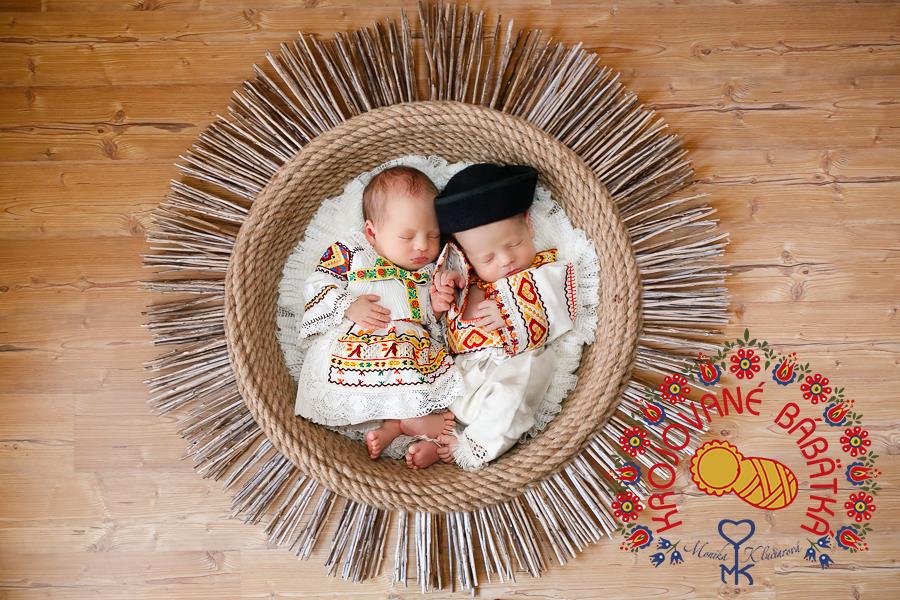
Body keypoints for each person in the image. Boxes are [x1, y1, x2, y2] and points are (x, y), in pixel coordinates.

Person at [294, 165, 460, 469]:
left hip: (412, 349)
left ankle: (400, 430)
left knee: (447, 386)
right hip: (360, 345)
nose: (422, 245)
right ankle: (409, 424)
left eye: (433, 234)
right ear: (372, 232)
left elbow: (432, 324)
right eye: (406, 236)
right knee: (389, 380)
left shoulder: (428, 273)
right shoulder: (353, 253)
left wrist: (436, 306)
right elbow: (316, 284)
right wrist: (348, 305)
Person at [428, 163, 578, 470]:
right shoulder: (465, 278)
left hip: (513, 364)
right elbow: (437, 322)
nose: (506, 259)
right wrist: (443, 297)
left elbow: (562, 301)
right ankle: (428, 432)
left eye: (514, 244)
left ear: (528, 224)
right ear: (464, 255)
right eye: (487, 257)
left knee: (516, 391)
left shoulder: (543, 271)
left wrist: (514, 311)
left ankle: (472, 446)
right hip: (460, 376)